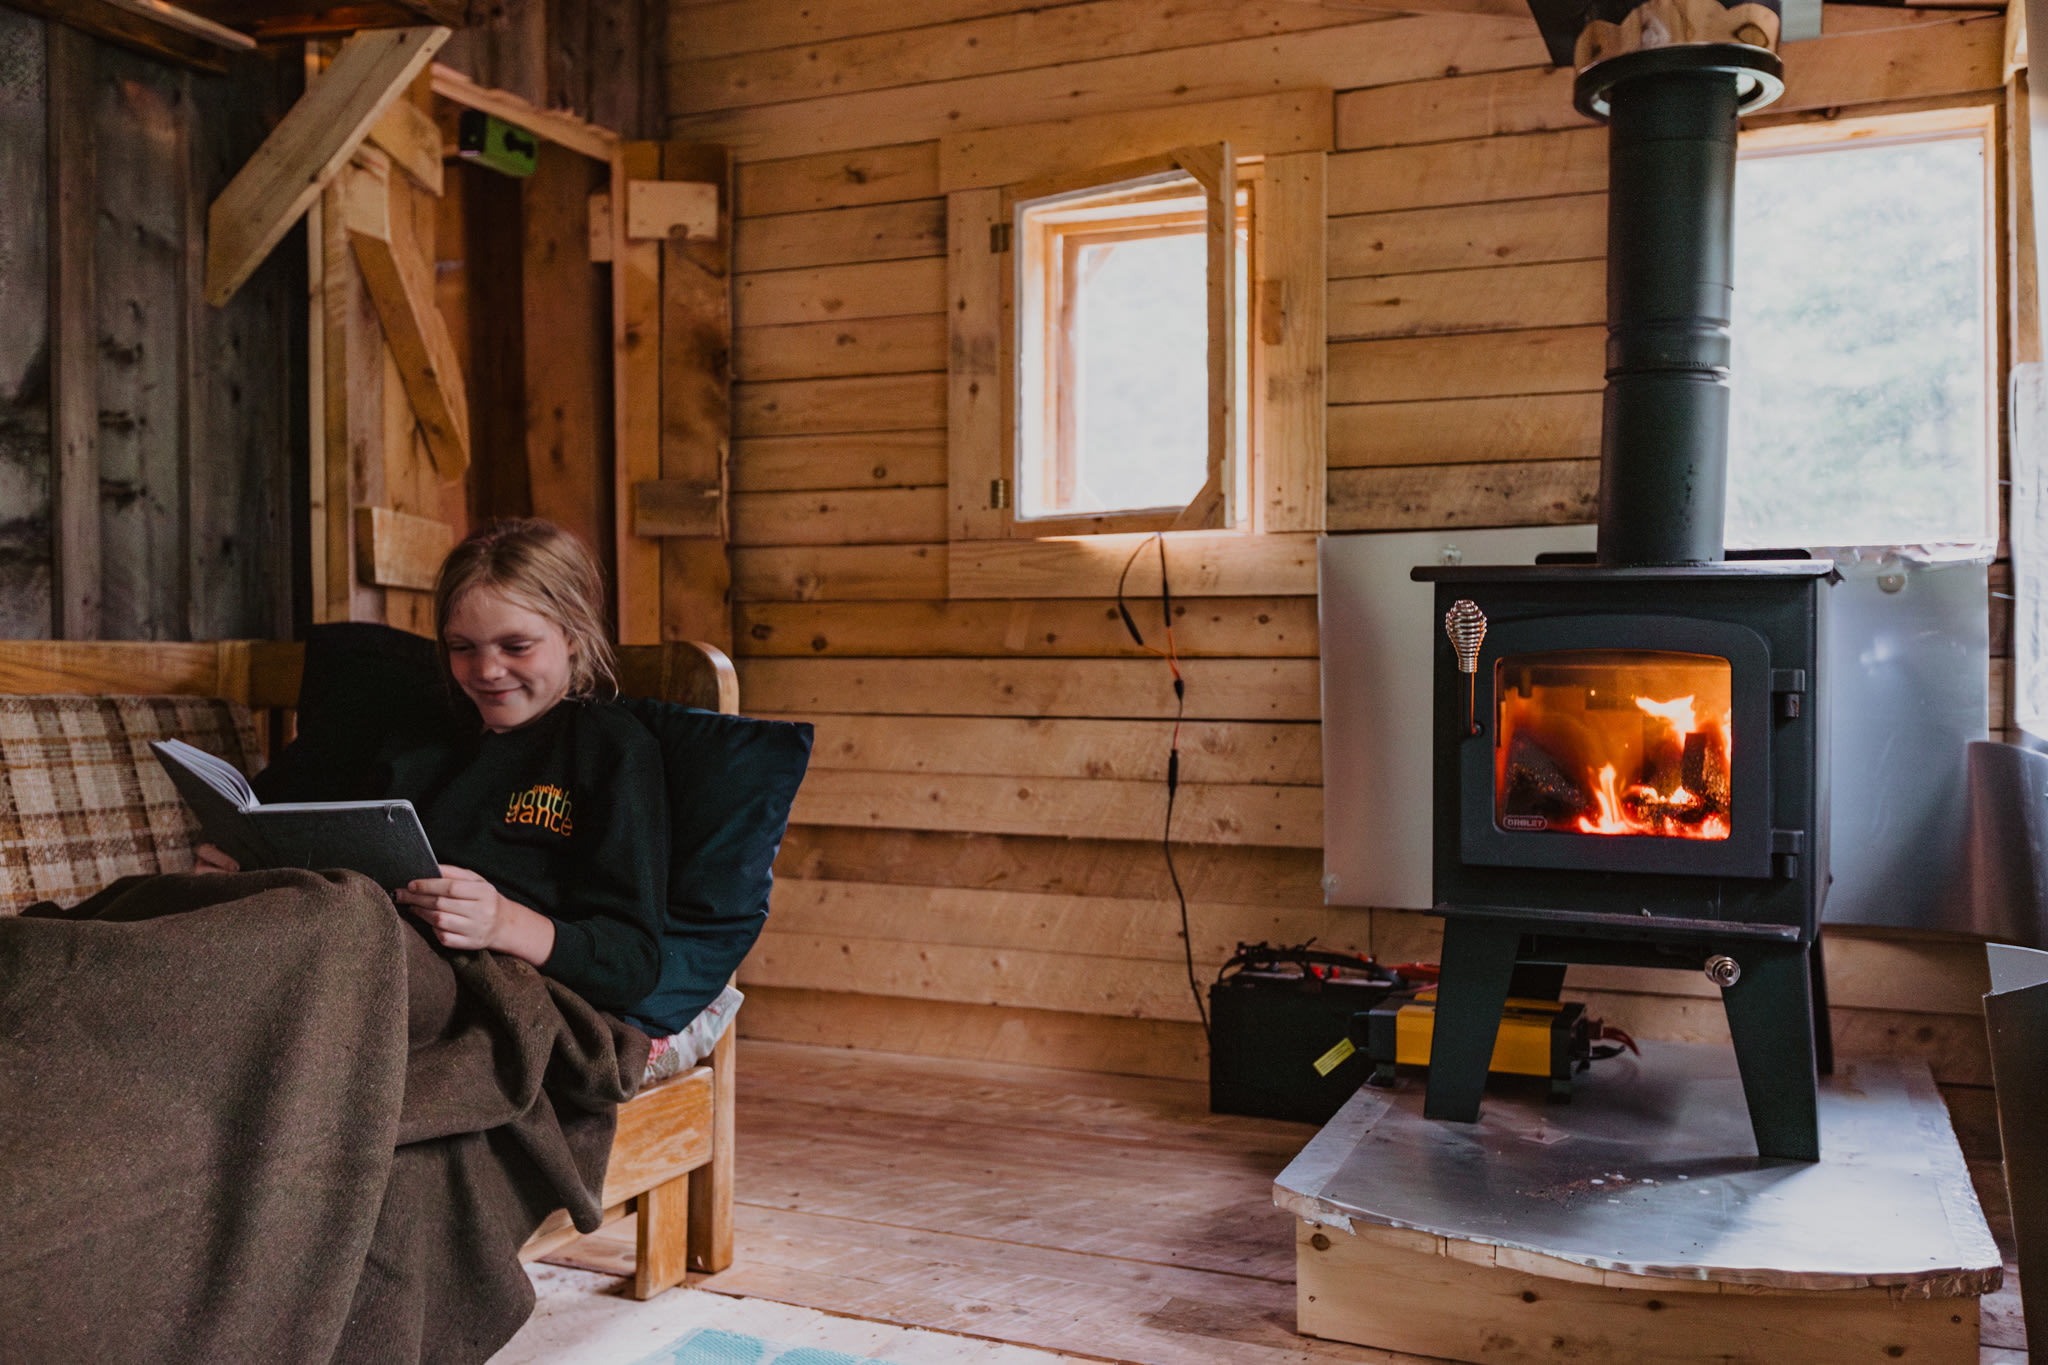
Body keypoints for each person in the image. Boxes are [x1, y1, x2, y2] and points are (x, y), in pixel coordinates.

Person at [195, 519, 667, 1013]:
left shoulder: (613, 750)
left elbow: (634, 960)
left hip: (479, 981)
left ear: (573, 634)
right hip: (348, 945)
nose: (487, 671)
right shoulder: (409, 723)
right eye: (462, 648)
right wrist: (239, 873)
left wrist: (504, 923)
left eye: (516, 647)